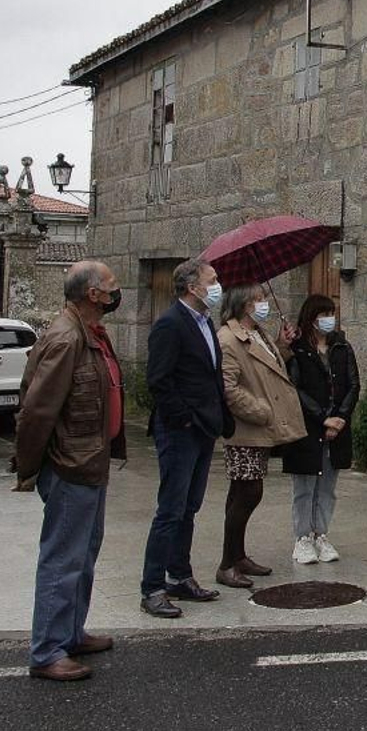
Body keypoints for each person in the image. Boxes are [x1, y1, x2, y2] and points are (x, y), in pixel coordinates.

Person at [12, 259, 126, 682]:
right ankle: (47, 651)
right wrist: (29, 468)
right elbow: (38, 410)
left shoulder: (90, 332)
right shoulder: (65, 338)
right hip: (70, 464)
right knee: (63, 557)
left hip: (89, 462)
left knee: (84, 553)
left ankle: (71, 632)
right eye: (111, 285)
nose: (117, 291)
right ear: (93, 294)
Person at [139, 259, 236, 618]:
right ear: (192, 287)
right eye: (212, 280)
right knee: (170, 510)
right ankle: (152, 587)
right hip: (180, 431)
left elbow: (209, 376)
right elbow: (159, 381)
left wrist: (219, 419)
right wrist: (183, 420)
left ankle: (179, 575)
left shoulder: (205, 322)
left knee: (189, 509)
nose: (217, 285)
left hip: (204, 429)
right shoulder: (170, 324)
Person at [215, 285, 306, 588]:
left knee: (242, 492)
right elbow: (228, 387)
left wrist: (282, 345)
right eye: (257, 299)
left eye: (263, 298)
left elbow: (266, 366)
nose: (263, 303)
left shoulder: (258, 333)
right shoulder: (228, 338)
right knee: (248, 493)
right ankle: (227, 563)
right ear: (243, 304)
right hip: (246, 429)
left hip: (259, 428)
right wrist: (261, 410)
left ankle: (238, 556)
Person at [283, 294, 360, 564]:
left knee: (327, 486)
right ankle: (302, 537)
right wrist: (322, 417)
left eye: (332, 313)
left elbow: (353, 384)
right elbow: (295, 388)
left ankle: (321, 534)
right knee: (304, 486)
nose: (330, 319)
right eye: (324, 314)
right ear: (312, 318)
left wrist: (339, 418)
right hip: (308, 428)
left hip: (336, 428)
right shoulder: (299, 349)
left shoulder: (342, 346)